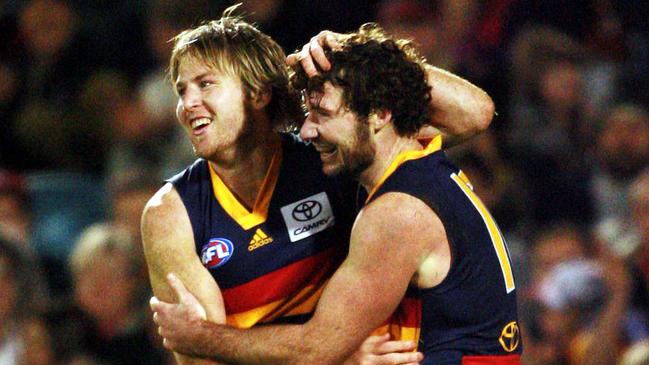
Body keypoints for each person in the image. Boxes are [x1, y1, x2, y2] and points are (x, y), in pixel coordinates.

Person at [143, 7, 496, 364]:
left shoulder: (333, 158)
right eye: (181, 90)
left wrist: (359, 55)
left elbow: (473, 114)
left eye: (205, 84)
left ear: (258, 92)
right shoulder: (172, 215)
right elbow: (204, 355)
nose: (187, 104)